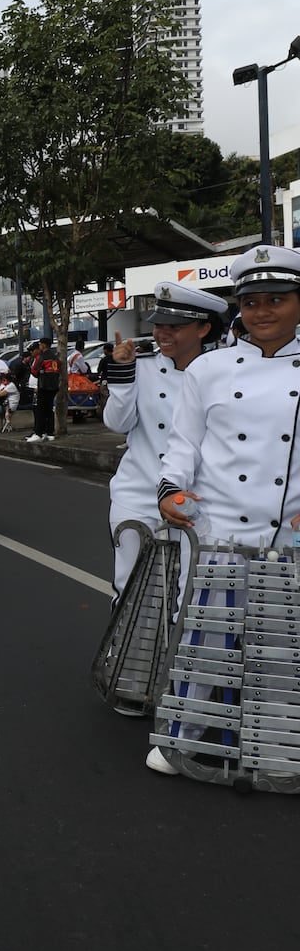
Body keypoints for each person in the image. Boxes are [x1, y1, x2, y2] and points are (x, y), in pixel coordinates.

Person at [152, 245, 300, 776]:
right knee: (204, 637)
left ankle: (281, 746)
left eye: (277, 299)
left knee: (282, 644)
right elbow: (183, 445)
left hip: (287, 534)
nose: (263, 311)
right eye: (252, 301)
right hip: (216, 528)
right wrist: (169, 492)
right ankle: (182, 736)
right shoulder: (209, 370)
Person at [103, 283, 227, 600]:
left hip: (199, 502)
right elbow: (117, 423)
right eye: (159, 325)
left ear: (204, 328)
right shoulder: (141, 367)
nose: (163, 333)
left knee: (196, 596)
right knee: (132, 591)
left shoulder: (225, 374)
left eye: (176, 326)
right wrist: (122, 374)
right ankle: (123, 652)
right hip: (138, 495)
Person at [28, 337, 59, 443]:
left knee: (40, 410)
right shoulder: (55, 357)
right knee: (49, 410)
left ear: (43, 345)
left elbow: (34, 371)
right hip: (54, 386)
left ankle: (38, 433)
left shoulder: (41, 357)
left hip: (43, 386)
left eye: (40, 344)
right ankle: (50, 433)